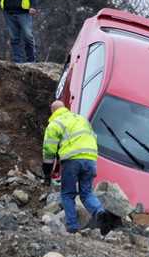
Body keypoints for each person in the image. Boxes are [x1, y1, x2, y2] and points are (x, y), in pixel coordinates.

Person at [41, 100, 118, 235]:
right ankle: (100, 213)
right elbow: (92, 137)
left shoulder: (55, 124)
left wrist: (47, 172)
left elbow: (49, 151)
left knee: (67, 194)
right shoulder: (81, 119)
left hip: (72, 161)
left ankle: (72, 226)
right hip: (90, 159)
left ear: (53, 111)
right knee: (87, 193)